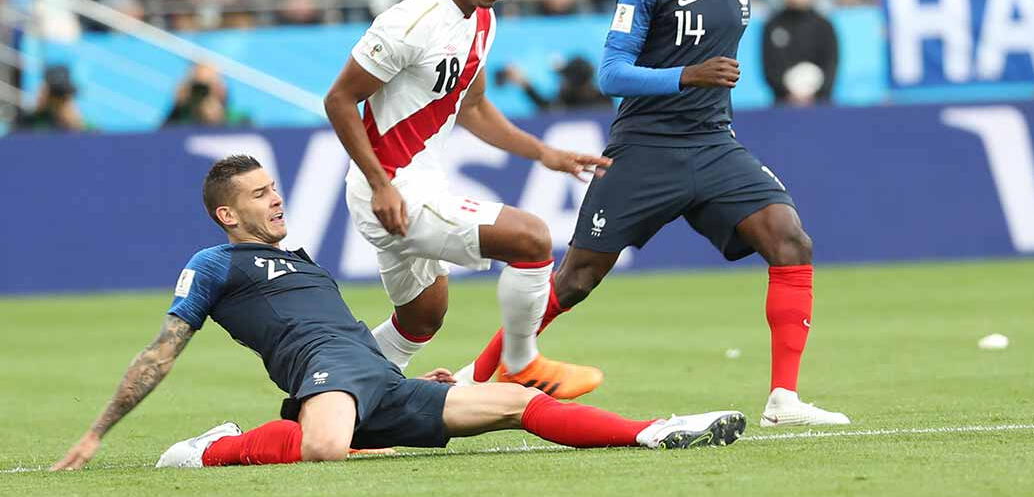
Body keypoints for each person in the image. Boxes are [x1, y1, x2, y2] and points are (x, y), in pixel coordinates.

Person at [459, 0, 851, 428]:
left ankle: (783, 399)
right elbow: (612, 73)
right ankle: (474, 377)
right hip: (644, 148)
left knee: (790, 241)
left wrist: (701, 90)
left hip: (714, 144)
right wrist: (686, 75)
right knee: (578, 278)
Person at [50, 156, 745, 471]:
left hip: (368, 376)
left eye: (275, 188)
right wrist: (97, 431)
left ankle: (652, 432)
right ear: (226, 213)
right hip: (329, 378)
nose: (276, 200)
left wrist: (405, 375)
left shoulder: (301, 260)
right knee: (326, 448)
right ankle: (209, 450)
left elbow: (350, 339)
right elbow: (161, 350)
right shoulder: (212, 265)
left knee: (511, 401)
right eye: (259, 195)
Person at [324, 0, 610, 401]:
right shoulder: (410, 22)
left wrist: (545, 154)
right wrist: (380, 184)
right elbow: (339, 99)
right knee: (532, 239)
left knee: (421, 319)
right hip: (391, 189)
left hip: (418, 184)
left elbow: (473, 107)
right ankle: (520, 364)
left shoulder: (482, 20)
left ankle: (338, 400)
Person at [762, 0, 838, 105]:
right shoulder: (773, 25)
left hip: (820, 105)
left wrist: (816, 93)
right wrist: (788, 93)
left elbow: (831, 65)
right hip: (783, 105)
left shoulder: (824, 25)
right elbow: (770, 69)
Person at [14, 65, 87, 132]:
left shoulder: (75, 123)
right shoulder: (31, 121)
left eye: (62, 98)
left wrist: (76, 126)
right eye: (55, 95)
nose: (58, 102)